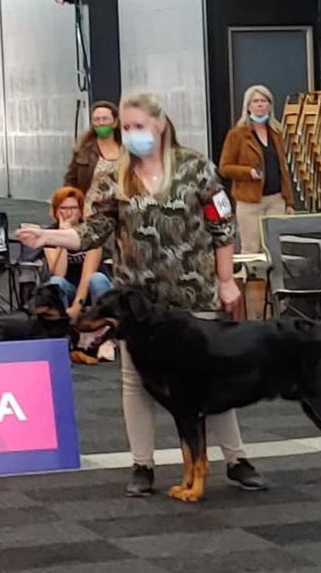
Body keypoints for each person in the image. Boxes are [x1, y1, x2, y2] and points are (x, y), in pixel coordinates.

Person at [17, 93, 266, 497]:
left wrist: (226, 279)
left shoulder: (196, 168)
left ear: (159, 124)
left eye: (137, 126)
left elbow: (223, 227)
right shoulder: (114, 176)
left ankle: (236, 459)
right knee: (135, 381)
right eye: (125, 128)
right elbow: (91, 231)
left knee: (210, 375)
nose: (131, 134)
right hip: (137, 300)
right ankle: (142, 465)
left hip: (193, 292)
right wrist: (47, 235)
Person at [220, 84, 294, 253]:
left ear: (270, 106)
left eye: (264, 101)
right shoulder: (237, 134)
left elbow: (283, 168)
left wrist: (288, 202)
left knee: (274, 249)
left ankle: (272, 280)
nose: (260, 104)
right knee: (252, 249)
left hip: (276, 200)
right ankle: (252, 279)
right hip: (250, 202)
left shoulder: (276, 132)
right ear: (248, 106)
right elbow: (224, 168)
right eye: (255, 101)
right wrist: (248, 172)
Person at [45, 186, 111, 320]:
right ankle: (61, 327)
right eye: (63, 208)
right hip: (69, 288)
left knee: (97, 279)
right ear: (56, 211)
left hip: (92, 287)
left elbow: (88, 273)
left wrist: (77, 306)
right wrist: (63, 236)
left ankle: (103, 322)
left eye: (73, 208)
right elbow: (59, 272)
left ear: (81, 211)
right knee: (55, 282)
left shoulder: (91, 233)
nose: (68, 213)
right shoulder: (49, 234)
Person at [64, 100, 121, 205]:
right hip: (92, 211)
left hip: (124, 211)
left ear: (115, 122)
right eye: (96, 119)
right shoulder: (83, 151)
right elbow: (70, 181)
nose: (101, 123)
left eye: (105, 119)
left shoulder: (127, 149)